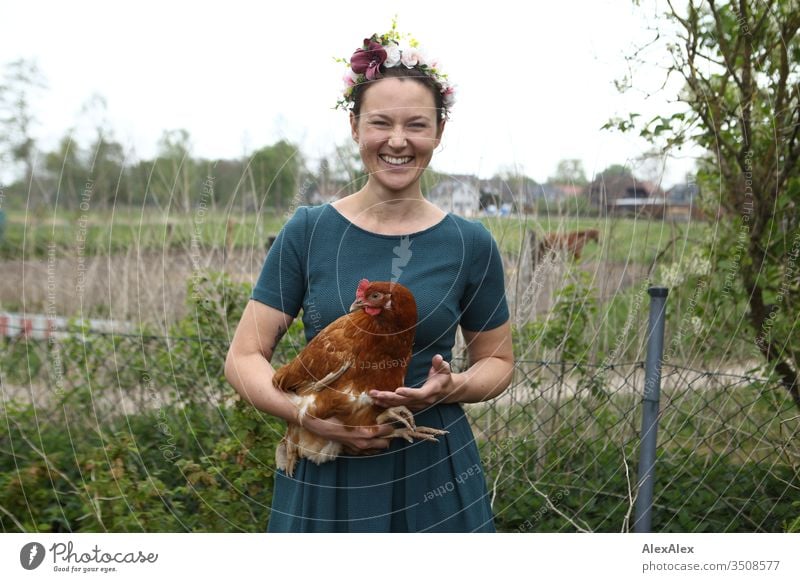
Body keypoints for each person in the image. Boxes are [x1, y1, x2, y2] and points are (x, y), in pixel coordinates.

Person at [225, 24, 514, 532]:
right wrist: (306, 418)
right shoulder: (309, 231)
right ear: (355, 127)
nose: (397, 141)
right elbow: (243, 358)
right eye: (380, 123)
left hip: (430, 463)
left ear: (439, 133)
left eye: (417, 125)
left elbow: (499, 363)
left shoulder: (470, 243)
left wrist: (448, 389)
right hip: (326, 460)